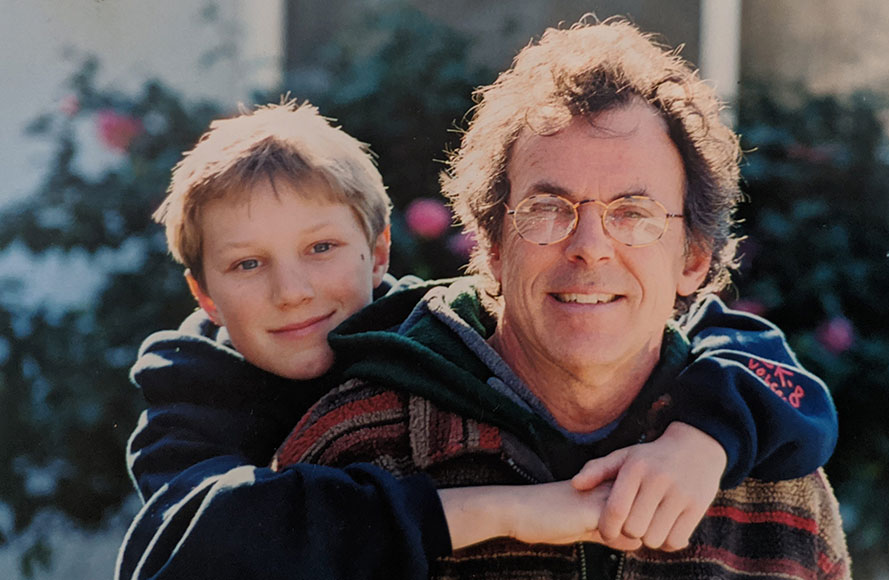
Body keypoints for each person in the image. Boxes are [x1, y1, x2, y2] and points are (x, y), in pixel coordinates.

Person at [117, 26, 839, 580]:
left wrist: (702, 438)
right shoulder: (346, 443)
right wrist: (514, 512)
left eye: (633, 211)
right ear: (488, 248)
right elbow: (182, 546)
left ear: (694, 259)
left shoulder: (772, 480)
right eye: (548, 208)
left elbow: (750, 355)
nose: (590, 247)